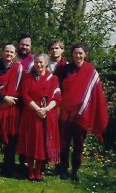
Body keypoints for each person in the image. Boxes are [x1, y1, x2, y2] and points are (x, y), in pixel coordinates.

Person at [59, 43, 108, 181]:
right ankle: (63, 169)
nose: (78, 56)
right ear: (72, 54)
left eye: (81, 53)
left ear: (85, 54)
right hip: (66, 112)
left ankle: (75, 171)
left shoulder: (91, 71)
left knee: (79, 144)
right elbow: (59, 89)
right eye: (75, 53)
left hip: (82, 114)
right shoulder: (65, 69)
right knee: (64, 143)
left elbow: (96, 94)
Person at [17, 53, 61, 181]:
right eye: (36, 62)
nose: (39, 65)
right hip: (31, 114)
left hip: (47, 115)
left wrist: (46, 109)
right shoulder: (28, 77)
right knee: (31, 142)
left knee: (42, 143)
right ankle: (30, 171)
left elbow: (57, 98)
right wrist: (37, 109)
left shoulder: (53, 79)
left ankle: (38, 171)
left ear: (46, 63)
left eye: (41, 62)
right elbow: (25, 96)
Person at [0, 43, 23, 176]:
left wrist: (11, 100)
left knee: (11, 138)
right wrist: (3, 98)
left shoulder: (19, 69)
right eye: (6, 51)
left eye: (11, 52)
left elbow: (22, 88)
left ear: (15, 54)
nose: (9, 54)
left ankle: (9, 167)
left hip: (12, 109)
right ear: (2, 52)